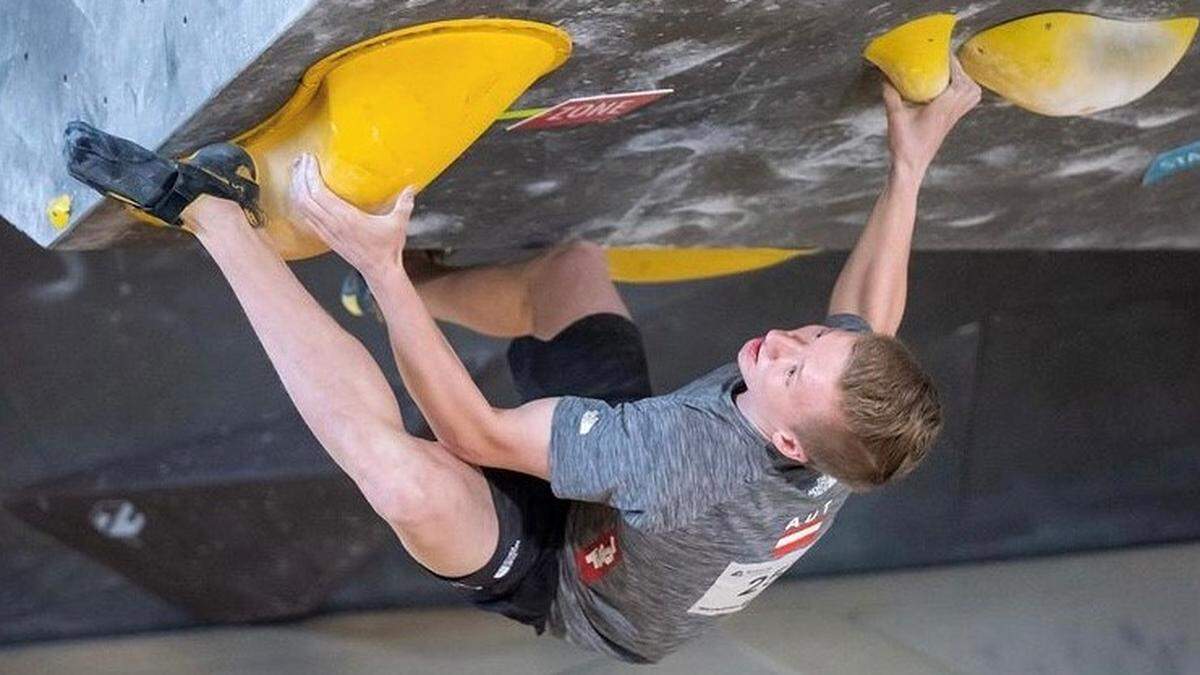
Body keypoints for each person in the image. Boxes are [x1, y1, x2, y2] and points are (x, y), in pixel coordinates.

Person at [64, 58, 981, 663]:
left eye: (789, 369)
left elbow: (475, 432)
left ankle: (207, 214)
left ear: (786, 432)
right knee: (571, 269)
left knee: (406, 479)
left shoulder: (673, 457)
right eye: (810, 340)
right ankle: (418, 288)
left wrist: (376, 264)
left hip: (570, 577)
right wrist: (910, 164)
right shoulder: (850, 430)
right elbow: (872, 316)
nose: (782, 343)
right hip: (638, 502)